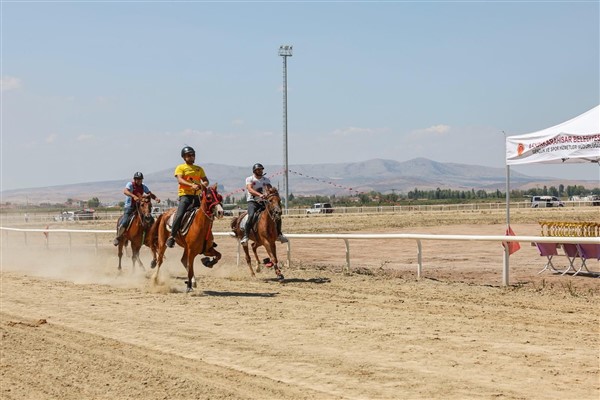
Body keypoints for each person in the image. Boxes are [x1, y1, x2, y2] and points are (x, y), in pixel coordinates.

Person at [166, 146, 209, 248]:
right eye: (189, 155)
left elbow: (206, 181)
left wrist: (202, 185)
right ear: (184, 157)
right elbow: (180, 180)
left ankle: (208, 237)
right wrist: (191, 185)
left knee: (207, 215)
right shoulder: (180, 167)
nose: (191, 157)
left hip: (197, 197)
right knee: (180, 215)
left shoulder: (199, 169)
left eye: (193, 155)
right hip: (185, 196)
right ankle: (172, 236)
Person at [240, 163, 288, 244]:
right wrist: (260, 195)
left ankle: (279, 234)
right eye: (258, 170)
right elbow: (250, 189)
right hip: (253, 201)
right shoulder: (250, 179)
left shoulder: (266, 180)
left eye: (261, 169)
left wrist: (270, 193)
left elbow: (269, 188)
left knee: (277, 215)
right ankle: (246, 236)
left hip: (264, 202)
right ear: (254, 171)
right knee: (251, 215)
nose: (260, 171)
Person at [113, 172, 160, 246]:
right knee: (125, 221)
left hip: (139, 206)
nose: (139, 180)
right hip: (130, 206)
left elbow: (149, 194)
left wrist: (156, 198)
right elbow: (125, 191)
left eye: (140, 179)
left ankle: (153, 236)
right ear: (134, 179)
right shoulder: (130, 184)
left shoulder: (143, 186)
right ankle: (118, 237)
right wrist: (133, 196)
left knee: (151, 219)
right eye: (137, 179)